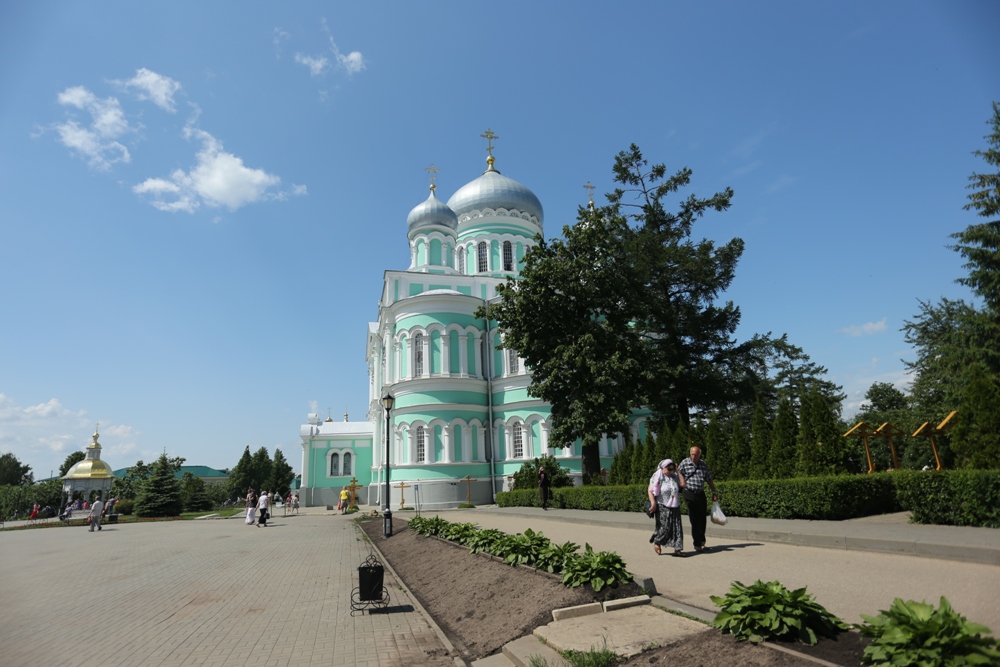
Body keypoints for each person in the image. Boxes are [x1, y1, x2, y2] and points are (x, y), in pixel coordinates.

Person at [676, 446, 719, 553]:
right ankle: (697, 544)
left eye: (696, 455)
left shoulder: (703, 464)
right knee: (694, 519)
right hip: (688, 492)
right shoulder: (685, 463)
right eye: (692, 454)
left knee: (702, 518)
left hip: (700, 493)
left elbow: (709, 479)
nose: (693, 456)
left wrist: (714, 492)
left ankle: (702, 541)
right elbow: (677, 476)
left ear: (700, 455)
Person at [648, 459, 685, 556]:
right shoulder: (657, 476)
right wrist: (653, 503)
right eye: (668, 468)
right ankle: (657, 541)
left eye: (671, 469)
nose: (670, 471)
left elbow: (683, 484)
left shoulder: (673, 476)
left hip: (674, 505)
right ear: (663, 467)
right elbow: (650, 490)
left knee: (677, 528)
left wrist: (677, 471)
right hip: (662, 505)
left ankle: (678, 549)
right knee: (664, 528)